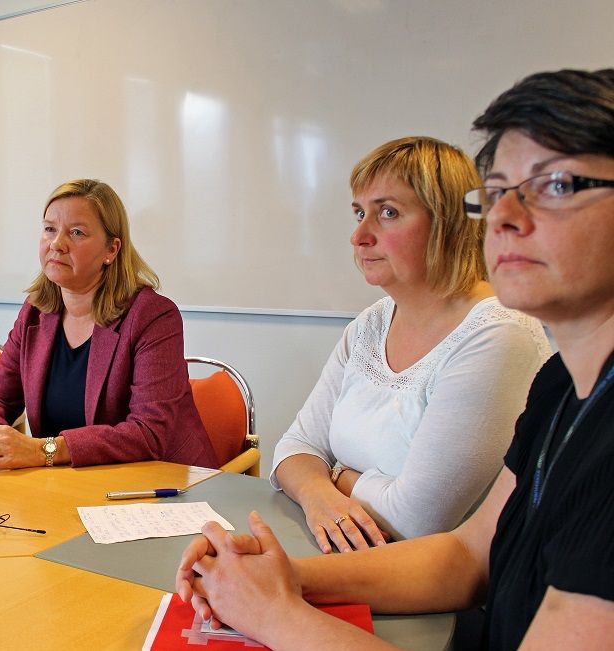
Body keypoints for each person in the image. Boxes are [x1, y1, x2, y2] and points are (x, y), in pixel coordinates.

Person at [176, 69, 614, 650]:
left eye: (555, 185)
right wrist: (281, 577)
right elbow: (466, 557)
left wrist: (276, 613)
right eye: (497, 194)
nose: (504, 218)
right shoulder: (562, 382)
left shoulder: (509, 340)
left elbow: (419, 521)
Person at [271, 137, 551, 552]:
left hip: (455, 583)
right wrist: (319, 495)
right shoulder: (371, 323)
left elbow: (416, 521)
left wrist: (337, 474)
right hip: (357, 555)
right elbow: (294, 447)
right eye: (359, 213)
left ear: (447, 224)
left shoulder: (499, 334)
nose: (359, 236)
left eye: (388, 212)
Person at [0, 179, 218, 470]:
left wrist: (45, 450)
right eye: (49, 229)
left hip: (160, 482)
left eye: (76, 232)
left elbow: (148, 433)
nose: (56, 244)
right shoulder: (35, 312)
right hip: (69, 481)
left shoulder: (152, 316)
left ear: (111, 250)